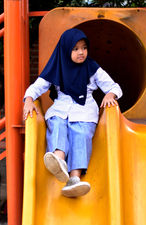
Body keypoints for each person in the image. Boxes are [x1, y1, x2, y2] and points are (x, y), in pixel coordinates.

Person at [23, 28, 122, 198]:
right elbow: (37, 86)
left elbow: (113, 86)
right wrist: (29, 99)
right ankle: (58, 158)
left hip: (84, 109)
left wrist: (110, 95)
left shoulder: (92, 67)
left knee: (81, 133)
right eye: (75, 49)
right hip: (62, 106)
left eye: (84, 48)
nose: (81, 52)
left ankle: (74, 179)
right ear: (65, 50)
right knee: (57, 123)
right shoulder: (57, 66)